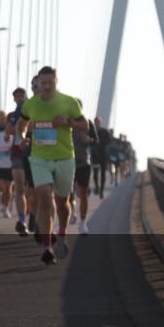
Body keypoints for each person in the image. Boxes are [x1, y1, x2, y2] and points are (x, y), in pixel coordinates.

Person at [16, 66, 88, 265]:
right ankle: (47, 247)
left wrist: (68, 122)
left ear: (57, 81)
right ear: (38, 83)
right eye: (43, 83)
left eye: (50, 83)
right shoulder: (31, 105)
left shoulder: (69, 102)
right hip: (39, 159)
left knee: (63, 203)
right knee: (45, 198)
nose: (46, 87)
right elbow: (21, 125)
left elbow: (85, 125)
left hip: (65, 158)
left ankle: (62, 235)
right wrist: (21, 138)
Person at [5, 87, 33, 236]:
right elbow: (8, 131)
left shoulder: (34, 110)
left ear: (26, 96)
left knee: (32, 190)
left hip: (33, 153)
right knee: (20, 188)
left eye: (21, 96)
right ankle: (22, 220)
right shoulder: (12, 115)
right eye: (16, 97)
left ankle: (33, 215)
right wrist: (16, 121)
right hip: (17, 153)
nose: (19, 99)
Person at [71, 99, 98, 236]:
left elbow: (95, 140)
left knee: (83, 192)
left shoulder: (88, 122)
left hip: (84, 162)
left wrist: (89, 140)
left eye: (78, 106)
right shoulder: (67, 122)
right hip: (68, 161)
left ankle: (82, 222)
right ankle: (71, 210)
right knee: (67, 192)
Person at [91, 116, 109, 199]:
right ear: (94, 123)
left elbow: (109, 141)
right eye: (96, 122)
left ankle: (101, 190)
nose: (97, 123)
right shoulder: (91, 131)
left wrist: (101, 143)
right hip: (95, 155)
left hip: (103, 155)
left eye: (98, 122)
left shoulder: (105, 131)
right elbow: (88, 141)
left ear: (100, 123)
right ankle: (97, 187)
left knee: (103, 173)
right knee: (95, 173)